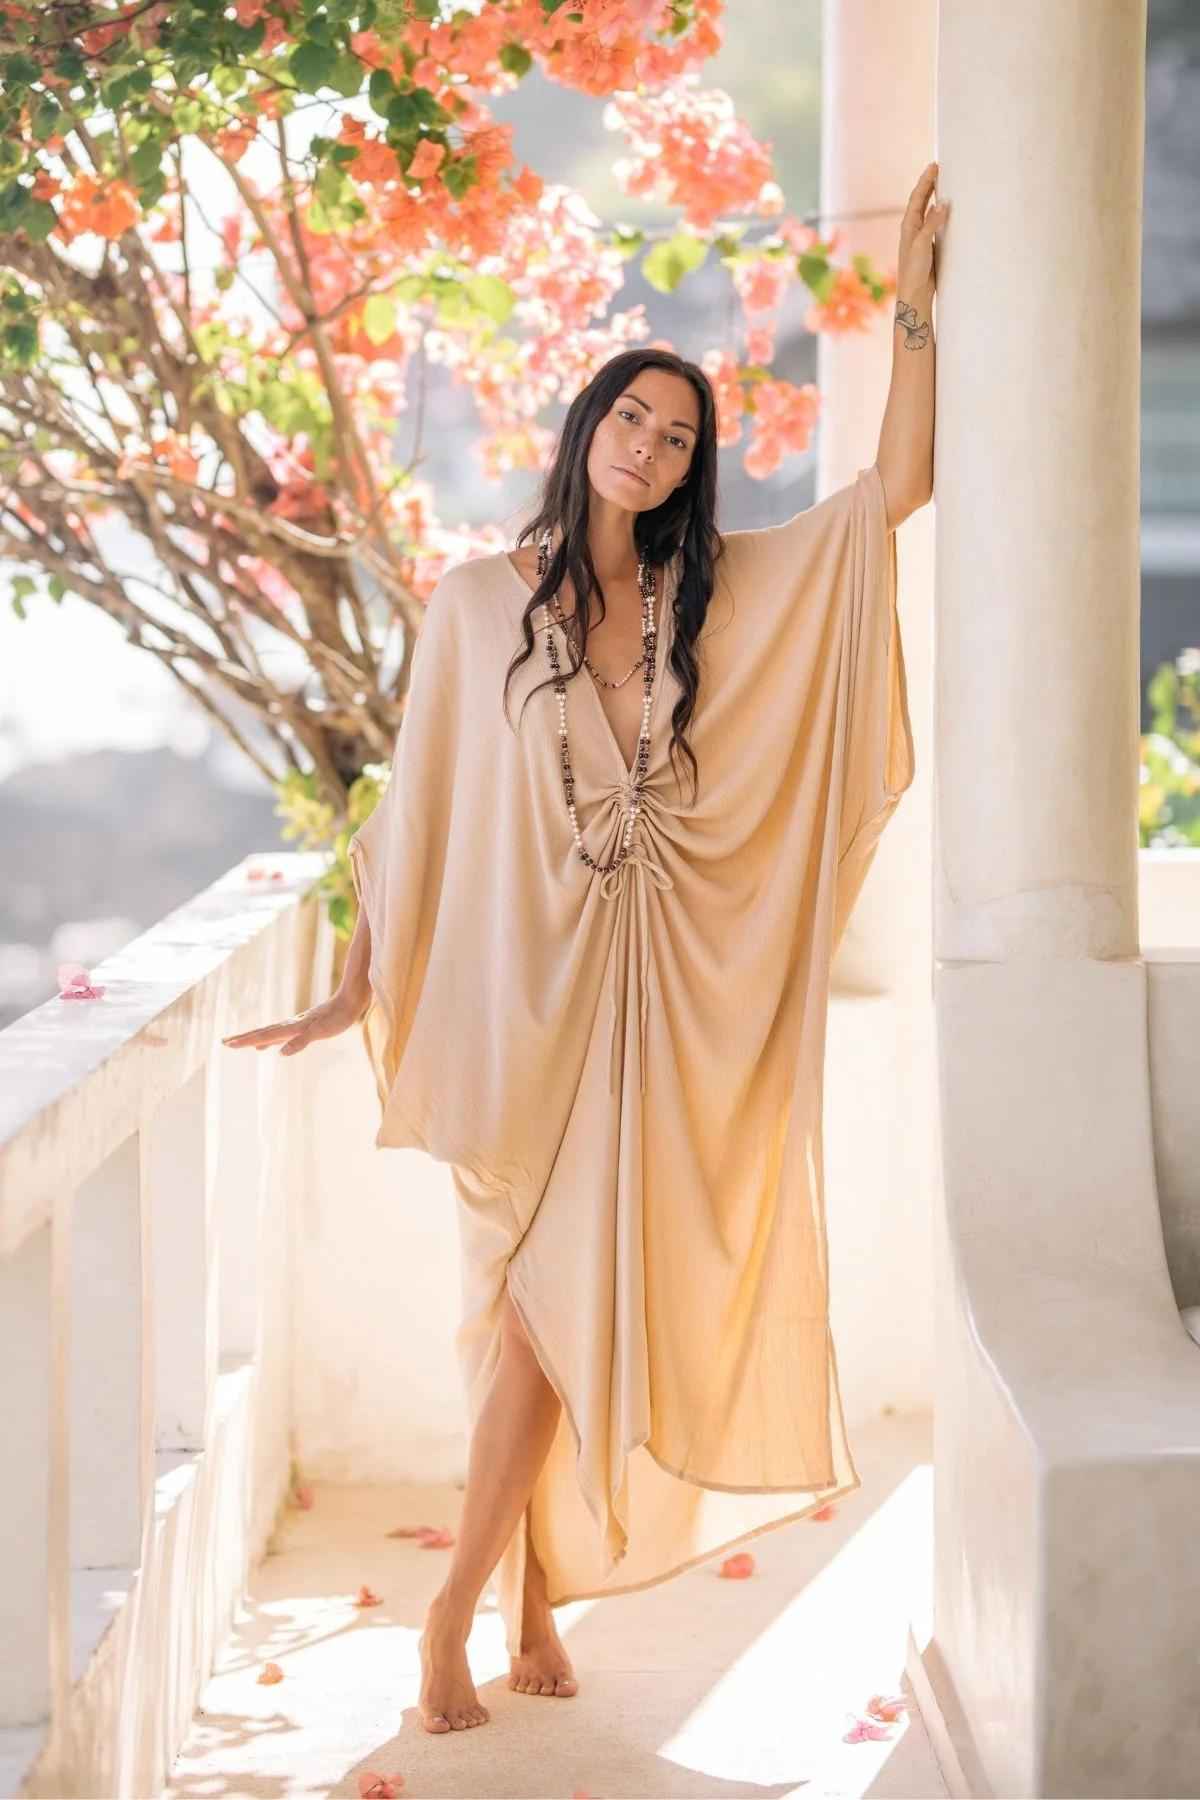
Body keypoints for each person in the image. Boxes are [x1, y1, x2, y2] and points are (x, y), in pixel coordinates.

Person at [224, 162, 946, 1735]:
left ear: (692, 465)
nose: (652, 446)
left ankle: (447, 1618)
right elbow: (412, 817)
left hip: (665, 1002)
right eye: (632, 416)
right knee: (519, 1318)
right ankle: (531, 1589)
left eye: (679, 434)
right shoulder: (478, 602)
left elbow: (890, 501)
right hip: (521, 1003)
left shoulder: (717, 592)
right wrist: (355, 984)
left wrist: (914, 314)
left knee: (558, 1317)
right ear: (586, 428)